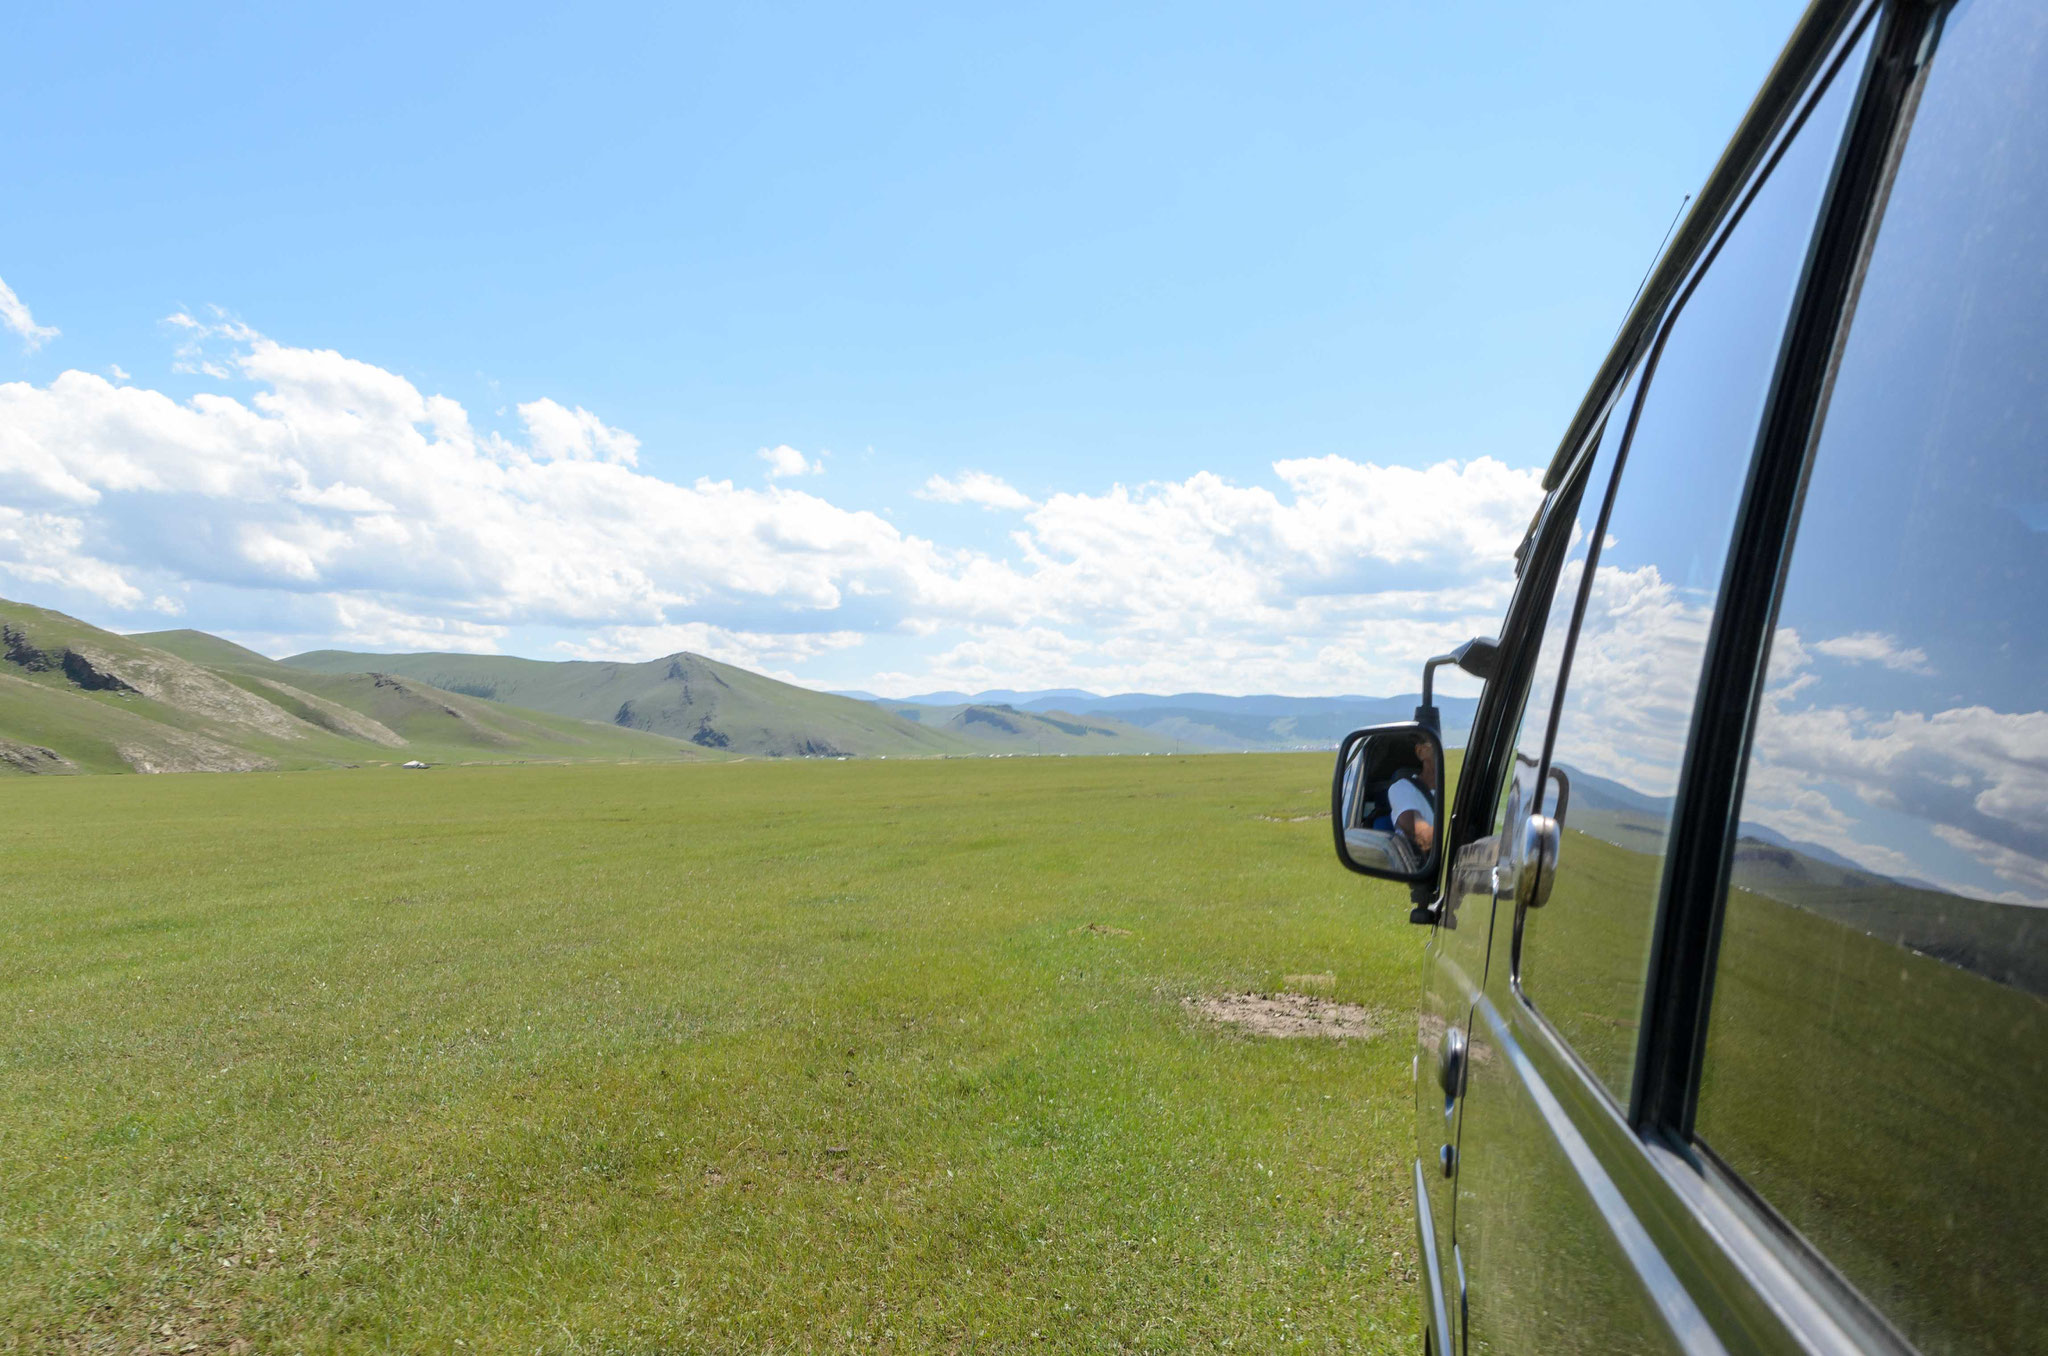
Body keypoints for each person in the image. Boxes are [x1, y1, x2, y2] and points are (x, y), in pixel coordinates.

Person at [1386, 737, 1438, 855]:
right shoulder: (1402, 788)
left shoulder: (1460, 790)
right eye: (1438, 745)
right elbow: (1422, 836)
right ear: (1421, 752)